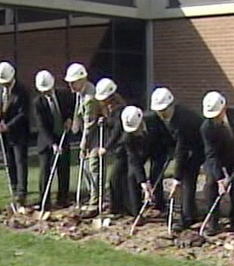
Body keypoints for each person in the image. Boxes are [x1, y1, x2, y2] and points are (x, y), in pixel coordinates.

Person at [150, 87, 205, 231]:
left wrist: (176, 179)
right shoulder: (163, 117)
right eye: (158, 110)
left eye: (163, 110)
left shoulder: (183, 121)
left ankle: (186, 217)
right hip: (186, 146)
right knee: (186, 178)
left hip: (200, 146)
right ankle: (191, 211)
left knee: (187, 178)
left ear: (171, 105)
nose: (161, 113)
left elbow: (182, 151)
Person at [199, 91, 234, 236]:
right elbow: (211, 155)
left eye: (216, 114)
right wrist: (220, 178)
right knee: (210, 185)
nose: (214, 118)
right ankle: (213, 223)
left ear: (224, 108)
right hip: (216, 157)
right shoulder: (206, 128)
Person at [0, 61, 30, 206]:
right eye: (2, 83)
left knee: (20, 162)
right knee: (9, 160)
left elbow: (23, 114)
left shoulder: (22, 91)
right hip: (3, 133)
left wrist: (8, 126)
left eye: (7, 83)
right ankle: (13, 187)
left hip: (18, 132)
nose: (4, 85)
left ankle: (21, 192)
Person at [33, 70, 74, 210]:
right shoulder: (37, 103)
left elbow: (72, 108)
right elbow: (41, 126)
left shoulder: (64, 95)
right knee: (45, 171)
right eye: (44, 91)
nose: (47, 93)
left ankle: (63, 199)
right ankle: (44, 201)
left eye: (49, 90)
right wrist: (53, 144)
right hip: (47, 142)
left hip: (63, 137)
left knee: (63, 170)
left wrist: (69, 119)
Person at [65, 62, 99, 217]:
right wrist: (74, 126)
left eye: (73, 82)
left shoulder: (90, 97)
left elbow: (90, 124)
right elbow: (78, 114)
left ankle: (95, 202)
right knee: (85, 167)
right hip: (87, 134)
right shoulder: (81, 93)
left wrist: (83, 144)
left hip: (96, 136)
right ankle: (92, 197)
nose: (70, 86)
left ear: (82, 79)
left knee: (92, 167)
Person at [95, 77, 132, 217]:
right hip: (119, 148)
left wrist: (106, 147)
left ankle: (117, 208)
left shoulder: (121, 109)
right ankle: (120, 207)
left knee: (115, 178)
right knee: (120, 178)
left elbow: (117, 130)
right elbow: (112, 123)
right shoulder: (111, 109)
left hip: (123, 148)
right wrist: (104, 121)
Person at [119, 105, 165, 218]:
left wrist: (170, 150)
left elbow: (165, 134)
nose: (135, 132)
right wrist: (143, 183)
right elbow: (134, 159)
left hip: (158, 148)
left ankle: (159, 205)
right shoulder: (127, 137)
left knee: (156, 174)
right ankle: (137, 212)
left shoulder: (153, 119)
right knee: (132, 175)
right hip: (140, 151)